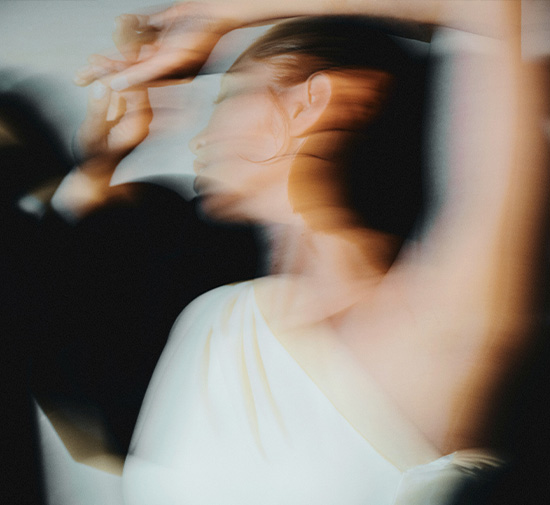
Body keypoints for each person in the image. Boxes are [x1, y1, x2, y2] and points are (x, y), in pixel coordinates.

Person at [39, 1, 548, 504]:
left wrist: (224, 13)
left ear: (313, 102)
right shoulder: (216, 312)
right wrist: (98, 170)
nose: (201, 138)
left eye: (230, 97)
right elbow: (69, 371)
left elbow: (485, 9)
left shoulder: (428, 328)